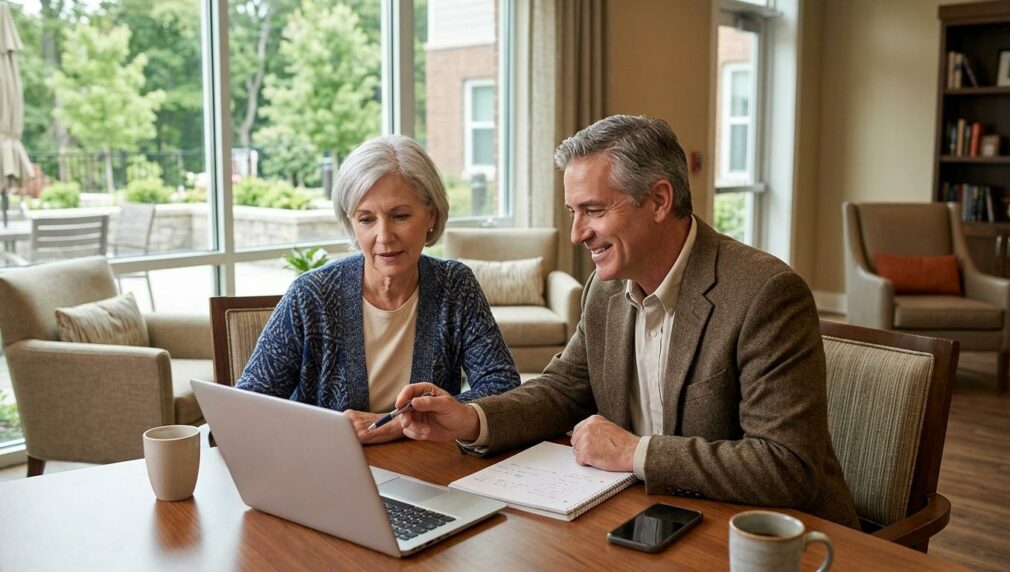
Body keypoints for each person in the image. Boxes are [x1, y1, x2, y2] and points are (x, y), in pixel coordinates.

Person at [394, 115, 860, 527]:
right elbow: (561, 391)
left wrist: (634, 452)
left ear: (658, 200)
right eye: (573, 212)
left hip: (778, 538)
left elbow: (786, 466)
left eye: (594, 210)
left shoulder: (765, 293)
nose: (577, 234)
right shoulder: (605, 290)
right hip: (654, 516)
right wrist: (471, 419)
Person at [236, 135, 519, 444]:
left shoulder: (455, 285)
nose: (384, 236)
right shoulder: (311, 295)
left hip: (425, 464)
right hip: (327, 462)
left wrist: (396, 424)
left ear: (431, 216)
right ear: (351, 223)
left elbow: (502, 385)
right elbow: (246, 409)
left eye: (400, 216)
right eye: (366, 219)